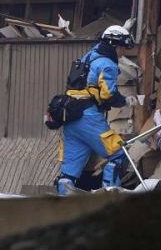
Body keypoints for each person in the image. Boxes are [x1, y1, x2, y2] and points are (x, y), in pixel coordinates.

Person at [55, 24, 135, 196]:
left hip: (70, 117)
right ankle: (109, 197)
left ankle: (63, 205)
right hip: (88, 118)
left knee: (69, 172)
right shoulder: (108, 64)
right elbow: (108, 94)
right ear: (114, 45)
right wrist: (126, 101)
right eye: (122, 48)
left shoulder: (89, 56)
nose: (122, 53)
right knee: (119, 155)